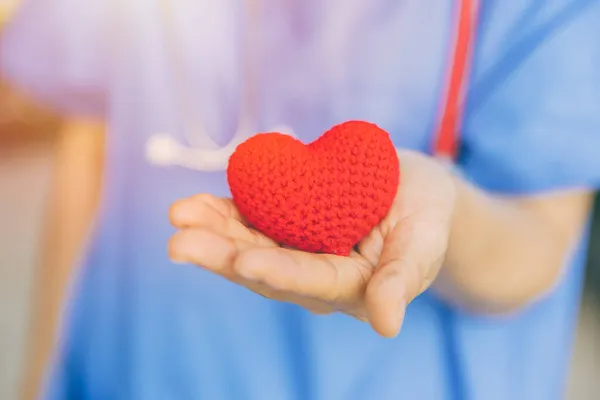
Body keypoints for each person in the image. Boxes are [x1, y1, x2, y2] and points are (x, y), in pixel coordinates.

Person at [2, 0, 600, 399]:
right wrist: (44, 373)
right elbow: (93, 138)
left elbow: (539, 239)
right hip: (127, 371)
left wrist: (445, 212)